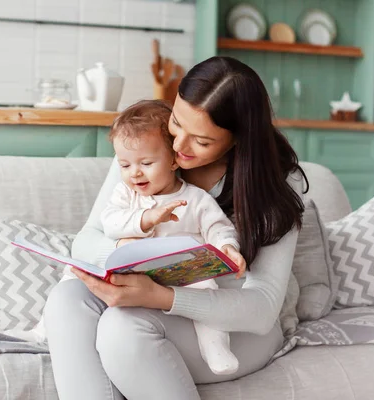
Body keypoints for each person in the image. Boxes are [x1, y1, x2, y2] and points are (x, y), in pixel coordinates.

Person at [44, 56, 308, 400]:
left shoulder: (271, 184)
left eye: (201, 141)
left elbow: (260, 309)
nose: (179, 146)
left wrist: (159, 296)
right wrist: (125, 260)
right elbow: (87, 239)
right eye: (177, 122)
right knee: (67, 298)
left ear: (239, 140)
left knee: (123, 327)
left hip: (232, 325)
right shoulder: (148, 147)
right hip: (148, 300)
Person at [99, 99, 246, 375]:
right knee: (75, 276)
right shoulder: (125, 193)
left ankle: (215, 347)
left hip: (182, 274)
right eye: (125, 165)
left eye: (146, 162)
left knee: (207, 289)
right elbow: (109, 222)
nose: (135, 173)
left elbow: (219, 227)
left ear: (173, 160)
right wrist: (146, 219)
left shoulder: (195, 198)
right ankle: (45, 329)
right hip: (135, 273)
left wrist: (228, 247)